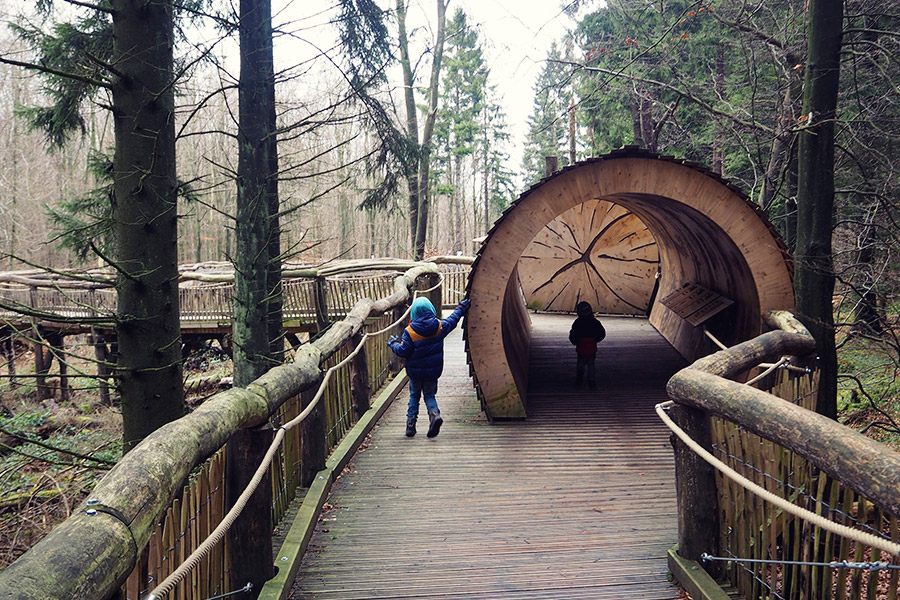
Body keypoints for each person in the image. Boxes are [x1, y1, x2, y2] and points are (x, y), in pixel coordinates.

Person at [388, 296, 471, 438]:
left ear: (413, 313)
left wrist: (393, 344)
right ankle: (434, 415)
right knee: (429, 395)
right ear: (431, 309)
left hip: (415, 373)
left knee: (414, 396)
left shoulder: (410, 331)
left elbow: (403, 351)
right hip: (433, 372)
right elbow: (453, 319)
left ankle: (410, 426)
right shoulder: (439, 326)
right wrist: (461, 308)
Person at [568, 301, 606, 388]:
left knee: (580, 363)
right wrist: (596, 340)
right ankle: (591, 381)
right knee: (591, 364)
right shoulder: (595, 322)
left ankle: (579, 377)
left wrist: (575, 341)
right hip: (592, 347)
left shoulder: (577, 323)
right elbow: (602, 333)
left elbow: (573, 334)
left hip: (581, 347)